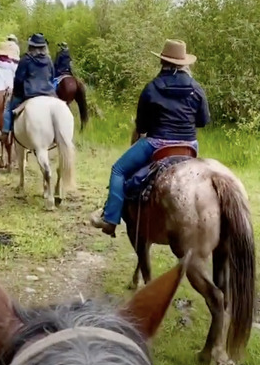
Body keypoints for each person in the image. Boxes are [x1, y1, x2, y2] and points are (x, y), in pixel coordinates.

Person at [89, 39, 211, 237]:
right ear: (183, 63)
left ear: (162, 61)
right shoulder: (196, 88)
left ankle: (110, 219)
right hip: (189, 146)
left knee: (118, 169)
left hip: (157, 145)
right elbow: (203, 121)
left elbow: (142, 126)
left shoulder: (152, 87)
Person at [0, 33, 57, 142]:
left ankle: (5, 131)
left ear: (31, 46)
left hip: (30, 93)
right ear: (44, 47)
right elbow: (52, 77)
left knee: (9, 108)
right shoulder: (48, 60)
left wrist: (16, 93)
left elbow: (19, 79)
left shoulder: (25, 59)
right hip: (49, 93)